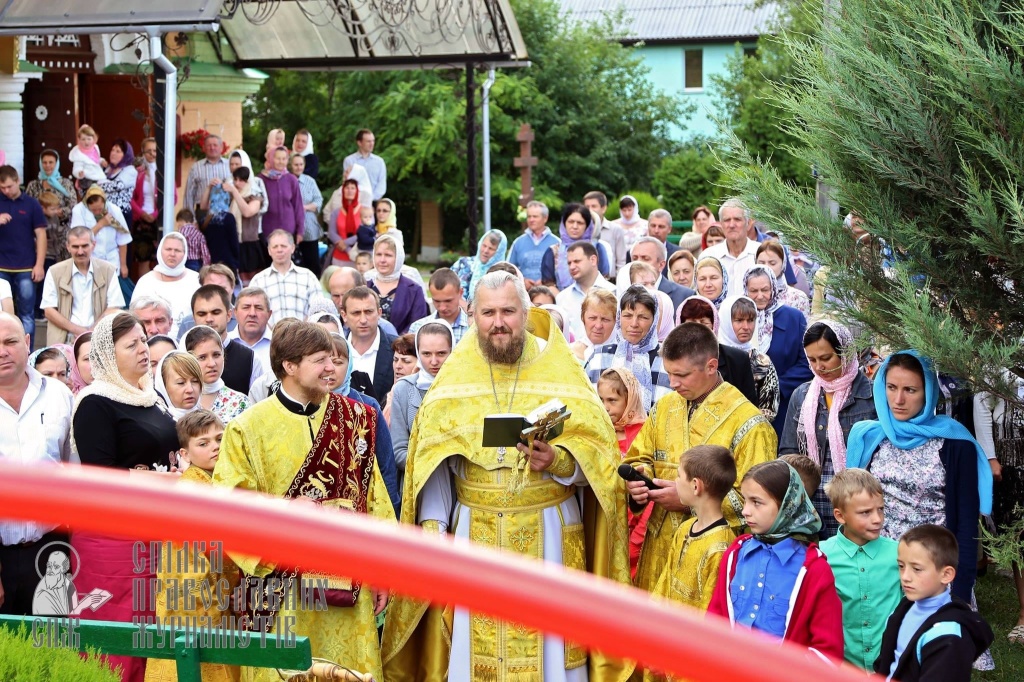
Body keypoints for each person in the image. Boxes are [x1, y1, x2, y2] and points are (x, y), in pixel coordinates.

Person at [381, 271, 634, 681]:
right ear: (472, 314)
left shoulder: (561, 368)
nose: (498, 322)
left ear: (525, 311)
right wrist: (432, 530)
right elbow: (433, 464)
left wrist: (559, 461)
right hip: (472, 539)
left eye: (508, 311)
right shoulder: (453, 379)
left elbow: (602, 463)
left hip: (547, 532)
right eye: (488, 312)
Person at [215, 321, 394, 682]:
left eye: (332, 358)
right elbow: (228, 505)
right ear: (289, 366)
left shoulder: (356, 418)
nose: (331, 367)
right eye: (319, 360)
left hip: (349, 584)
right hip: (283, 587)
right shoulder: (249, 427)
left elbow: (374, 496)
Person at [624, 322, 777, 592]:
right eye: (669, 374)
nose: (673, 384)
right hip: (658, 546)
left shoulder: (750, 424)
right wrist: (637, 481)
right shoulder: (665, 407)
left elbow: (756, 499)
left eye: (682, 375)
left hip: (711, 556)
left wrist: (689, 501)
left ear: (710, 366)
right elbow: (639, 456)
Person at [71, 311, 178, 681]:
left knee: (154, 632)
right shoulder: (94, 403)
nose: (143, 350)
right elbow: (99, 476)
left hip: (157, 531)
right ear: (108, 355)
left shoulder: (150, 396)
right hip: (112, 540)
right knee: (120, 639)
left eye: (144, 341)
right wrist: (155, 481)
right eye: (131, 345)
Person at [845, 351, 993, 602]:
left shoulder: (955, 443)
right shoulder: (870, 437)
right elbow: (854, 510)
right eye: (891, 387)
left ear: (928, 392)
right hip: (879, 567)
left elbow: (967, 527)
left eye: (910, 390)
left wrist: (960, 592)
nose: (898, 399)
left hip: (934, 570)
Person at [707, 460, 844, 660]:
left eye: (756, 502)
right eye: (745, 500)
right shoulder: (735, 554)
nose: (745, 511)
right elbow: (714, 621)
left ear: (787, 506)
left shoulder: (814, 569)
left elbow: (827, 652)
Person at [146, 410, 241, 682]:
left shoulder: (216, 484)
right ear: (184, 455)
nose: (215, 447)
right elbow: (188, 573)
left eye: (220, 439)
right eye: (203, 443)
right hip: (199, 611)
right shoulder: (191, 496)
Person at [0, 313, 75, 616]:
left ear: (28, 342)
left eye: (10, 342)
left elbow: (73, 469)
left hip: (53, 547)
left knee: (54, 649)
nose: (2, 351)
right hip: (3, 553)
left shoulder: (59, 395)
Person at [780, 321, 876, 539]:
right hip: (812, 509)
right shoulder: (803, 396)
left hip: (856, 505)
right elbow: (788, 453)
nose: (818, 367)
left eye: (825, 358)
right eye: (812, 360)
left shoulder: (872, 396)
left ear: (846, 353)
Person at [875, 525, 995, 681]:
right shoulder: (903, 608)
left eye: (916, 569)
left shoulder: (949, 637)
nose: (905, 576)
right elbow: (885, 664)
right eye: (901, 566)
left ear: (946, 574)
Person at [818, 468, 901, 670]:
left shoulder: (899, 554)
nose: (877, 519)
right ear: (840, 515)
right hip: (841, 668)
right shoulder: (821, 556)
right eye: (865, 512)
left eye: (880, 509)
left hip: (891, 667)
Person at [650, 445, 737, 625]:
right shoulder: (685, 528)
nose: (675, 481)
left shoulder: (721, 547)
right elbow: (665, 581)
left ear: (696, 485)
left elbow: (711, 610)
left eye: (679, 476)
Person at [974, 377, 1024, 643]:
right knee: (1019, 539)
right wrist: (991, 457)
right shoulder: (999, 365)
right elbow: (981, 404)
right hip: (1011, 462)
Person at [743, 265, 812, 433]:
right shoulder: (739, 318)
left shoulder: (793, 317)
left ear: (773, 288)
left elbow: (806, 363)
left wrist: (774, 387)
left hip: (784, 403)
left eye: (765, 290)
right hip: (745, 402)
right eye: (753, 290)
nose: (760, 296)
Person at [598, 367, 649, 578]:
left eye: (612, 400)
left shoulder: (643, 433)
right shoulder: (598, 431)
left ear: (629, 399)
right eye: (600, 400)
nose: (605, 407)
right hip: (604, 522)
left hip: (634, 524)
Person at [390, 320, 453, 488]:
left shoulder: (462, 389)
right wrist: (432, 463)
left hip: (457, 484)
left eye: (441, 353)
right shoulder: (403, 390)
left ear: (452, 351)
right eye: (426, 354)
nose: (434, 361)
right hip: (417, 485)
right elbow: (398, 451)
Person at [585, 286, 669, 411]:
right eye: (628, 316)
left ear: (654, 321)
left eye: (643, 317)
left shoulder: (666, 359)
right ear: (619, 318)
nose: (634, 324)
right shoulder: (599, 357)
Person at [41, 226, 125, 345]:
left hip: (99, 336)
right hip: (64, 338)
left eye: (85, 246)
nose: (80, 251)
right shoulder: (55, 271)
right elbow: (48, 310)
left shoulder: (108, 270)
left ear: (93, 245)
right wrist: (79, 331)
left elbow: (114, 307)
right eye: (75, 246)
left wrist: (90, 332)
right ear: (68, 247)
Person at [677, 295, 759, 409]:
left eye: (703, 323)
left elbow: (749, 406)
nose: (697, 329)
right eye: (691, 323)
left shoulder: (737, 359)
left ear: (714, 325)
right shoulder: (672, 358)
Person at [0, 165, 48, 342]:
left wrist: (39, 264)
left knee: (27, 314)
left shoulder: (31, 203)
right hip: (1, 267)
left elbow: (41, 234)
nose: (6, 191)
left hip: (26, 267)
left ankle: (27, 353)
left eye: (9, 186)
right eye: (2, 187)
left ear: (18, 181)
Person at [716, 296, 781, 423]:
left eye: (750, 320)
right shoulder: (714, 356)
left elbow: (769, 409)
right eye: (739, 320)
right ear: (725, 321)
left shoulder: (761, 361)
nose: (746, 327)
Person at [189, 284, 263, 395]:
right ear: (194, 318)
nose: (209, 319)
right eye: (202, 314)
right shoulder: (183, 357)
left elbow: (258, 405)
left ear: (229, 315)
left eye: (215, 312)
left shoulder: (250, 359)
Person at [131, 233, 201, 336]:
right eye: (168, 249)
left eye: (177, 250)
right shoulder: (146, 281)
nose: (172, 254)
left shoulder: (196, 279)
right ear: (160, 251)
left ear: (185, 253)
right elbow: (134, 316)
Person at [249, 230, 321, 326]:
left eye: (283, 246)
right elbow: (252, 312)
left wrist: (303, 330)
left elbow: (318, 310)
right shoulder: (258, 281)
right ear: (269, 251)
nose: (279, 250)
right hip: (270, 338)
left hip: (304, 337)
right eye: (275, 246)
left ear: (292, 248)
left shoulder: (308, 277)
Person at [182, 325, 251, 423]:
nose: (212, 364)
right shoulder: (180, 402)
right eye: (202, 357)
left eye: (216, 355)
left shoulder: (240, 402)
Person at [341, 286, 397, 405]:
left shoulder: (397, 349)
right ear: (344, 315)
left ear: (379, 313)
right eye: (356, 313)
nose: (363, 320)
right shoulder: (333, 351)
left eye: (368, 312)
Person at [541, 203, 611, 292]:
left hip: (595, 298)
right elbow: (548, 284)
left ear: (587, 226)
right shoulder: (553, 251)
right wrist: (565, 299)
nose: (574, 226)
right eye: (570, 222)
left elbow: (604, 278)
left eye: (580, 223)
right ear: (564, 223)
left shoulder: (597, 248)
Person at [555, 241, 617, 340]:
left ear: (593, 260)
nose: (572, 267)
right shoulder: (562, 298)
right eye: (569, 263)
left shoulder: (615, 293)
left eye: (577, 261)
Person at [366, 234, 427, 335]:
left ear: (398, 258)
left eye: (388, 255)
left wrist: (397, 344)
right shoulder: (365, 285)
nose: (382, 260)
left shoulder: (414, 290)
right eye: (378, 254)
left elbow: (417, 325)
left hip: (401, 348)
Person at [701, 199, 760, 295]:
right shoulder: (708, 256)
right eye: (727, 220)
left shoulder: (760, 253)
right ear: (721, 225)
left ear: (748, 224)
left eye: (737, 219)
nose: (732, 225)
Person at [225, 150, 268, 282]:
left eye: (241, 180)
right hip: (234, 241)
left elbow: (248, 212)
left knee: (252, 281)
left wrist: (234, 192)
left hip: (250, 243)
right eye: (235, 179)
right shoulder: (231, 194)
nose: (238, 183)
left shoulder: (255, 195)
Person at [409, 268, 471, 344]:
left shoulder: (473, 327)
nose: (442, 307)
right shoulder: (417, 328)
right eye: (437, 301)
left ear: (460, 293)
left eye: (448, 301)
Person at [129, 137, 162, 278]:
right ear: (142, 152)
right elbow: (129, 197)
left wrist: (155, 214)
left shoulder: (163, 171)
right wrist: (142, 213)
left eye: (155, 151)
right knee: (143, 260)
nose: (152, 154)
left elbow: (172, 197)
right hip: (141, 221)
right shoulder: (137, 172)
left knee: (159, 261)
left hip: (158, 219)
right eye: (149, 151)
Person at [508, 201, 559, 287]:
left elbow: (563, 271)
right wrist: (522, 281)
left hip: (549, 294)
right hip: (523, 293)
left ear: (545, 218)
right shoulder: (518, 242)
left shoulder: (557, 243)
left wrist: (546, 281)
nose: (531, 220)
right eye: (529, 216)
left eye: (535, 217)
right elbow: (508, 269)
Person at [756, 239, 810, 318]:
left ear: (783, 265)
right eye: (762, 263)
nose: (766, 267)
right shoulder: (748, 296)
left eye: (772, 263)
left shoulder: (798, 298)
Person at [452, 229, 508, 303]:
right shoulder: (462, 263)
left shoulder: (503, 274)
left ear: (499, 253)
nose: (485, 251)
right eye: (484, 245)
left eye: (491, 248)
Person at [227, 287, 274, 375]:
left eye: (259, 308)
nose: (252, 313)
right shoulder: (223, 344)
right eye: (246, 307)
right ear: (235, 312)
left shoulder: (279, 346)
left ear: (269, 314)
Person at [290, 153, 323, 276]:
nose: (298, 167)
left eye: (301, 164)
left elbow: (318, 200)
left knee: (312, 261)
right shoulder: (287, 179)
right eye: (296, 164)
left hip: (309, 226)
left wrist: (303, 208)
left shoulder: (310, 181)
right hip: (291, 226)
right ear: (291, 165)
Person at [184, 134, 230, 216]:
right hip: (202, 213)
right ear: (204, 148)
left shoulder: (229, 165)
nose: (212, 148)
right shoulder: (196, 167)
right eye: (209, 145)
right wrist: (190, 219)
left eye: (215, 145)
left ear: (221, 147)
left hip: (226, 211)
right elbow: (189, 195)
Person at [583, 190, 627, 274]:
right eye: (587, 207)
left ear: (603, 208)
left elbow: (621, 261)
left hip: (609, 280)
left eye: (594, 206)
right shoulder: (580, 229)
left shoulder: (615, 229)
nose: (590, 210)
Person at [569, 288, 616, 363]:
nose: (598, 326)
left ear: (615, 321)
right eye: (592, 318)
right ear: (582, 318)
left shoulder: (623, 356)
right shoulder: (568, 352)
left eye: (605, 319)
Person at [152, 350, 201, 420]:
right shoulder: (156, 426)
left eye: (195, 381)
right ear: (163, 387)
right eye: (181, 383)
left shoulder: (211, 422)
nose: (190, 389)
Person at [343, 128, 387, 202]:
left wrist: (370, 198)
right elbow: (348, 182)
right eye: (368, 141)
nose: (372, 144)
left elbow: (381, 185)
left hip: (375, 202)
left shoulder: (379, 162)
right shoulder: (350, 161)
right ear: (359, 143)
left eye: (373, 141)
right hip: (355, 202)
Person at [382, 333, 416, 424]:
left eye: (406, 361)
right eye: (395, 360)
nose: (398, 366)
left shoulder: (420, 400)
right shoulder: (388, 397)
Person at [325, 178, 360, 265]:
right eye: (347, 188)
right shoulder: (336, 212)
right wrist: (347, 249)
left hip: (358, 257)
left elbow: (365, 233)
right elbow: (332, 233)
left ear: (357, 191)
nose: (350, 190)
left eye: (352, 188)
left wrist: (345, 243)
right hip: (339, 256)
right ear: (343, 190)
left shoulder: (364, 211)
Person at [100, 139, 137, 221]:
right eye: (112, 150)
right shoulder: (108, 169)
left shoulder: (130, 170)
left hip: (121, 215)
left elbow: (117, 186)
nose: (113, 153)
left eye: (118, 151)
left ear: (126, 155)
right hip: (105, 214)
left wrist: (97, 185)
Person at [644, 209, 681, 277]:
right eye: (653, 226)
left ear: (669, 229)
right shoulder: (636, 252)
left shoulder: (678, 253)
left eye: (661, 227)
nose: (656, 230)